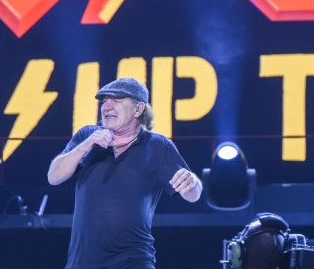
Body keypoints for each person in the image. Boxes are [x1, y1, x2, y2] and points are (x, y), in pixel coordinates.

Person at [48, 77, 202, 269]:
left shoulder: (157, 146)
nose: (107, 107)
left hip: (133, 261)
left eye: (117, 100)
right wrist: (86, 145)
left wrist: (192, 182)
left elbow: (193, 196)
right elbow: (54, 177)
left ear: (138, 109)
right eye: (104, 102)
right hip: (82, 262)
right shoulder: (87, 136)